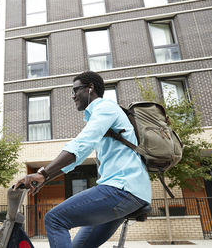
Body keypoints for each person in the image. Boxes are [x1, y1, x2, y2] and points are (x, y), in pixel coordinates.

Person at [14, 71, 151, 248]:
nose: (73, 96)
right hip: (130, 192)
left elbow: (82, 144)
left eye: (75, 90)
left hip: (122, 188)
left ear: (90, 88)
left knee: (54, 219)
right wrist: (45, 177)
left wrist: (43, 173)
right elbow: (77, 158)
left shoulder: (104, 107)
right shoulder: (103, 113)